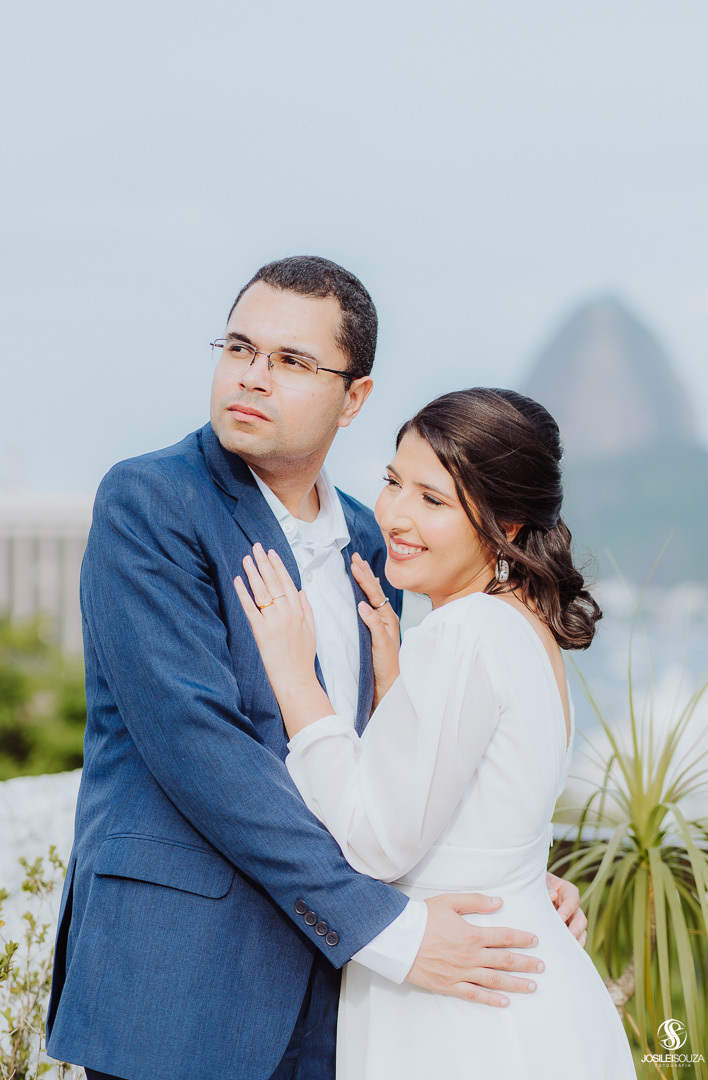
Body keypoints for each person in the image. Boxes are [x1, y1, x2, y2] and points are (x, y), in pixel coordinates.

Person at [46, 257, 586, 1080]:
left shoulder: (380, 544)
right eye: (239, 347)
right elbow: (203, 751)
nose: (252, 377)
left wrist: (502, 870)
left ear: (354, 398)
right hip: (183, 993)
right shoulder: (151, 502)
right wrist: (391, 930)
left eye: (292, 362)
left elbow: (397, 762)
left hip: (341, 999)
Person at [236, 386, 637, 1079]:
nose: (394, 514)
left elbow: (375, 841)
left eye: (434, 500)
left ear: (506, 525)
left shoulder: (463, 631)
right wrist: (397, 693)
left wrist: (294, 676)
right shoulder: (521, 624)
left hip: (463, 1011)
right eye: (394, 482)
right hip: (518, 983)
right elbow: (475, 804)